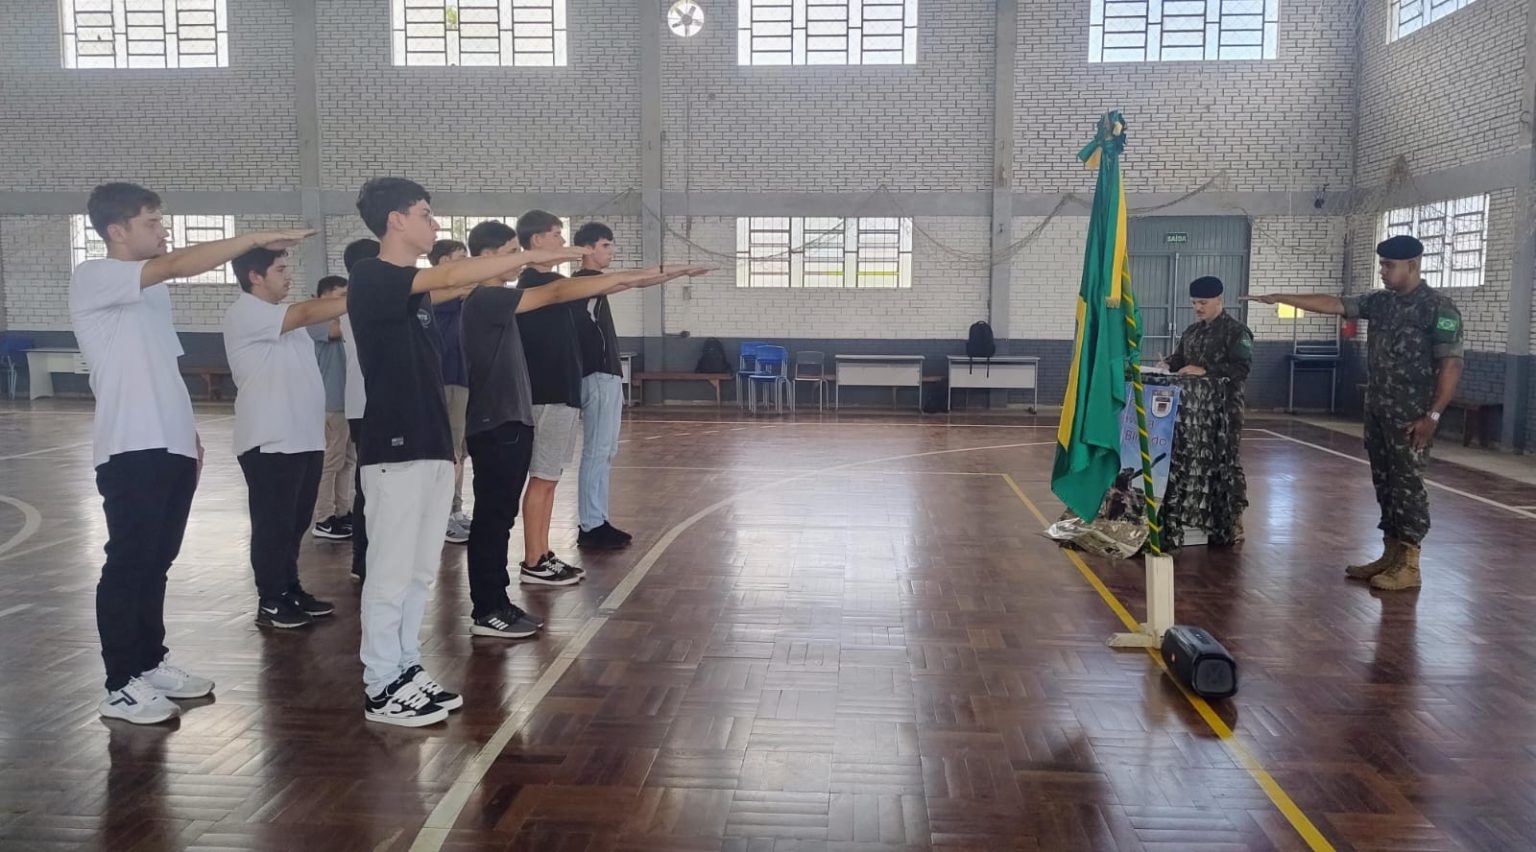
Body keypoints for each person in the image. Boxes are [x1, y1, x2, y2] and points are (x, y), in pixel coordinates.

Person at [70, 181, 311, 724]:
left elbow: (161, 367)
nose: (163, 231)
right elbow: (178, 264)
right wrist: (256, 237)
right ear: (117, 230)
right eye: (152, 222)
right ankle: (120, 683)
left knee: (158, 560)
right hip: (130, 445)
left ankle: (149, 662)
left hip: (170, 443)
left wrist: (189, 437)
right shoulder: (95, 275)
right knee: (130, 561)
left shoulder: (151, 294)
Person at [348, 179, 587, 726]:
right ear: (395, 220)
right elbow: (455, 276)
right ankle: (380, 684)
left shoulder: (416, 296)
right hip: (395, 447)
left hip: (431, 444)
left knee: (418, 573)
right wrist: (530, 256)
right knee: (389, 573)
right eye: (425, 213)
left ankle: (406, 667)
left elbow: (465, 283)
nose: (435, 224)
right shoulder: (372, 276)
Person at [459, 220, 694, 637]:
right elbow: (561, 291)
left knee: (512, 505)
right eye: (515, 251)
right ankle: (497, 598)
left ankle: (510, 587)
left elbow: (597, 286)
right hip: (505, 414)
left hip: (520, 410)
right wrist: (641, 272)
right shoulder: (495, 296)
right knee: (496, 514)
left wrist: (656, 273)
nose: (522, 259)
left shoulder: (505, 295)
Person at [1247, 234, 1464, 591]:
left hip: (1412, 416)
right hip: (1378, 410)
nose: (1383, 271)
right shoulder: (1382, 302)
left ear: (1413, 265)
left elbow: (1451, 365)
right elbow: (1335, 304)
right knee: (1385, 482)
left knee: (1408, 484)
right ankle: (1391, 554)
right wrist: (1281, 297)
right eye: (1382, 265)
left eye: (1389, 265)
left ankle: (1410, 563)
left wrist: (1433, 416)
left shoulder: (1438, 308)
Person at [512, 211, 710, 581]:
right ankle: (577, 532)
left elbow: (632, 280)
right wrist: (678, 269)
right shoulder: (567, 285)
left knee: (558, 472)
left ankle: (549, 549)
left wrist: (677, 271)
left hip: (567, 386)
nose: (562, 241)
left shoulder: (565, 284)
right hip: (569, 384)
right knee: (575, 461)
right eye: (605, 245)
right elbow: (631, 280)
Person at [222, 249, 348, 628]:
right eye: (280, 269)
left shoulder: (283, 317)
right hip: (271, 440)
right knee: (273, 523)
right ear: (255, 276)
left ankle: (290, 587)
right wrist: (373, 292)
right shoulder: (247, 312)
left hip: (303, 437)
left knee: (295, 523)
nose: (288, 275)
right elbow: (308, 313)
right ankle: (271, 598)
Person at [1157, 275, 1253, 542]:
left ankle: (1233, 519)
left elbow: (1241, 368)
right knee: (1191, 460)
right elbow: (1180, 359)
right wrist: (1168, 365)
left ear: (1219, 300)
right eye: (1194, 303)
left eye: (1203, 302)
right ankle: (1192, 518)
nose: (1198, 308)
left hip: (1224, 410)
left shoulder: (1236, 332)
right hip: (1191, 412)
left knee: (1226, 461)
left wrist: (1206, 370)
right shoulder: (1192, 332)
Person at [428, 238, 474, 544]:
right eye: (461, 257)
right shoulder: (432, 296)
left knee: (461, 449)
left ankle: (455, 509)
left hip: (465, 380)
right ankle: (442, 515)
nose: (466, 263)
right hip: (444, 380)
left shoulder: (462, 299)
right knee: (449, 451)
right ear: (444, 261)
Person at [340, 239, 379, 582]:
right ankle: (364, 558)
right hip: (369, 404)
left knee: (372, 483)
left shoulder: (353, 300)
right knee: (369, 484)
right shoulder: (358, 301)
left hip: (366, 403)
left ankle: (368, 557)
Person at [309, 275, 355, 541]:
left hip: (347, 402)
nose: (345, 302)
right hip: (330, 403)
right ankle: (323, 517)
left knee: (347, 461)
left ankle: (342, 511)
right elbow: (337, 331)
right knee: (331, 462)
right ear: (323, 297)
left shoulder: (342, 321)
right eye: (341, 296)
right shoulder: (316, 321)